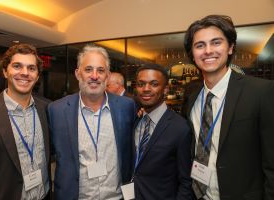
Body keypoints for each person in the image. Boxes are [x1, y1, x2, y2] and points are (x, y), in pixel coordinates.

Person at [183, 15, 274, 200]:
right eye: (200, 45)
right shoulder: (192, 100)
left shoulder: (261, 92)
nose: (208, 51)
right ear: (192, 53)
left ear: (230, 47)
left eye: (216, 42)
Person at [47, 44, 136, 200]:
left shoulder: (126, 107)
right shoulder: (57, 110)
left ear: (107, 76)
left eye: (100, 70)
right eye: (88, 69)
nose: (94, 76)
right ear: (77, 73)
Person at [0, 43, 51, 200]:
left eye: (31, 68)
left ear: (37, 76)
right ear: (4, 72)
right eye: (17, 66)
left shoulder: (47, 109)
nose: (25, 73)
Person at [130, 64, 192, 199]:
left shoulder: (180, 128)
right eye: (141, 84)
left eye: (154, 84)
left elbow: (186, 182)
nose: (146, 89)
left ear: (165, 90)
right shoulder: (135, 121)